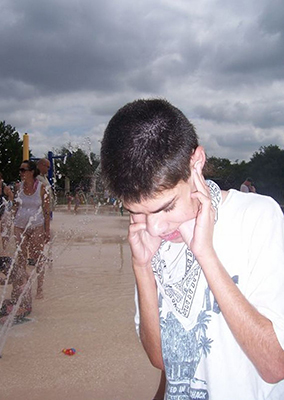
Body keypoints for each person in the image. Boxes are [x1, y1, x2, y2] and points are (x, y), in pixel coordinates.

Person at [101, 99, 284, 399]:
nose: (155, 228)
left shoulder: (258, 217)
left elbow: (275, 365)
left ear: (196, 162)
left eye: (166, 207)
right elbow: (161, 361)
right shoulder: (149, 239)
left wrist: (206, 255)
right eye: (136, 212)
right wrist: (142, 268)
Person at [14, 160, 50, 299]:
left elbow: (46, 211)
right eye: (20, 170)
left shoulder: (42, 188)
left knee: (37, 256)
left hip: (37, 225)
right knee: (21, 257)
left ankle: (39, 288)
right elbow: (16, 206)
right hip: (19, 225)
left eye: (23, 170)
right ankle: (24, 286)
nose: (21, 173)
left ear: (31, 172)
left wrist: (47, 230)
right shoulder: (18, 187)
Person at [0, 256, 32, 324]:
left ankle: (12, 315)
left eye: (5, 272)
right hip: (13, 302)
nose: (5, 274)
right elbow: (2, 282)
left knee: (3, 320)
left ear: (10, 266)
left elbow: (25, 281)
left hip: (24, 306)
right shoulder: (12, 274)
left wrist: (24, 286)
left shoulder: (21, 272)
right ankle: (8, 313)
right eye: (3, 273)